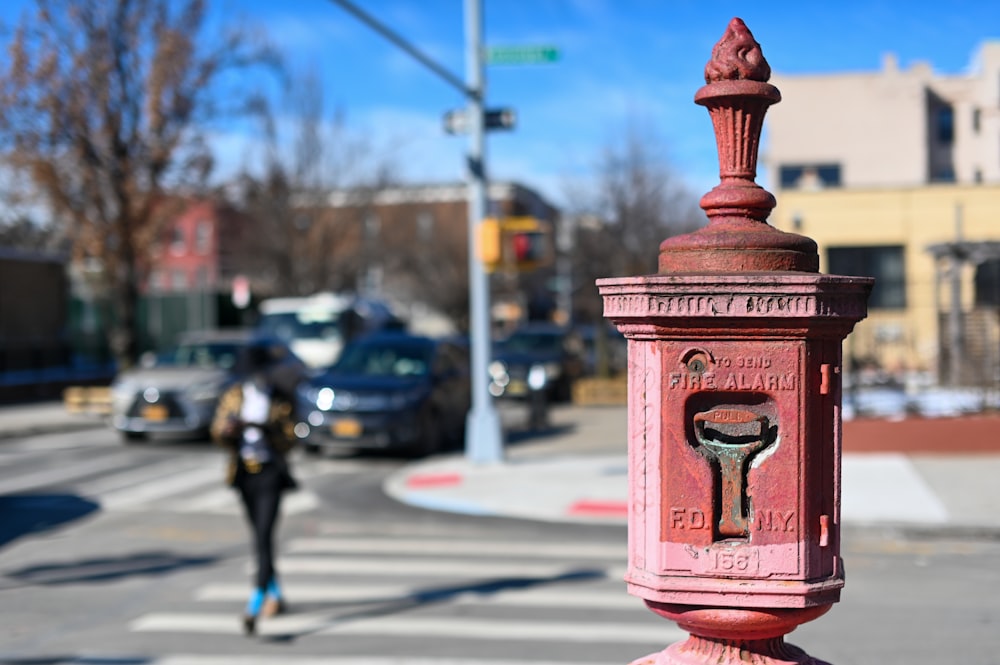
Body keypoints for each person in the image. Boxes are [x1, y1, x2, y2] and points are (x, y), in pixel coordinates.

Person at [210, 339, 300, 636]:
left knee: (263, 536)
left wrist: (264, 429)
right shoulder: (234, 396)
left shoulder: (279, 399)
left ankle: (255, 602)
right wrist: (229, 431)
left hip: (270, 475)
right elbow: (218, 432)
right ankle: (275, 594)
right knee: (259, 537)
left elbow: (291, 438)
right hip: (244, 475)